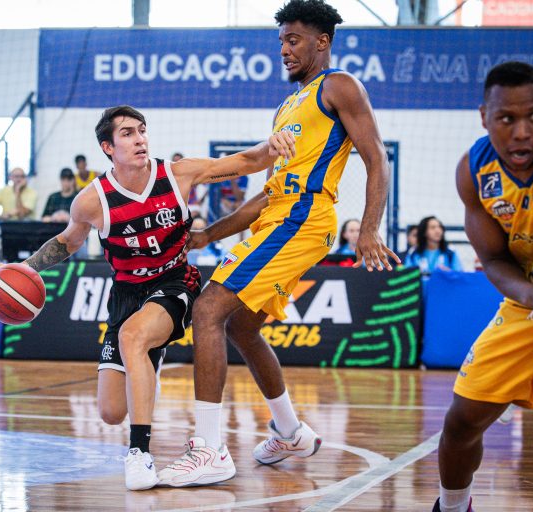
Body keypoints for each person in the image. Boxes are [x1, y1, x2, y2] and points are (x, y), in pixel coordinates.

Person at [158, 0, 399, 487]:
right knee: (241, 326)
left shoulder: (339, 85)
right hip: (281, 215)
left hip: (304, 217)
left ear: (322, 42)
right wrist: (207, 235)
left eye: (294, 40)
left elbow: (377, 157)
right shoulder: (287, 107)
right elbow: (267, 194)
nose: (284, 49)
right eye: (282, 41)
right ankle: (290, 432)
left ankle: (209, 450)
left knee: (208, 310)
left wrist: (371, 228)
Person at [10, 105, 295, 491]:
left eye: (142, 130)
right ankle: (148, 361)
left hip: (176, 283)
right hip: (126, 294)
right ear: (108, 147)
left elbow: (245, 162)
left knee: (133, 337)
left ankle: (139, 454)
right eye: (127, 133)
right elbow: (68, 242)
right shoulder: (91, 201)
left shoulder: (177, 174)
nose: (139, 139)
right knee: (111, 411)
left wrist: (272, 144)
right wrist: (25, 268)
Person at [433, 61, 533, 512]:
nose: (523, 132)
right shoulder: (474, 171)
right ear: (484, 117)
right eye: (507, 119)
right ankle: (452, 507)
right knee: (461, 422)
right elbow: (493, 259)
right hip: (532, 295)